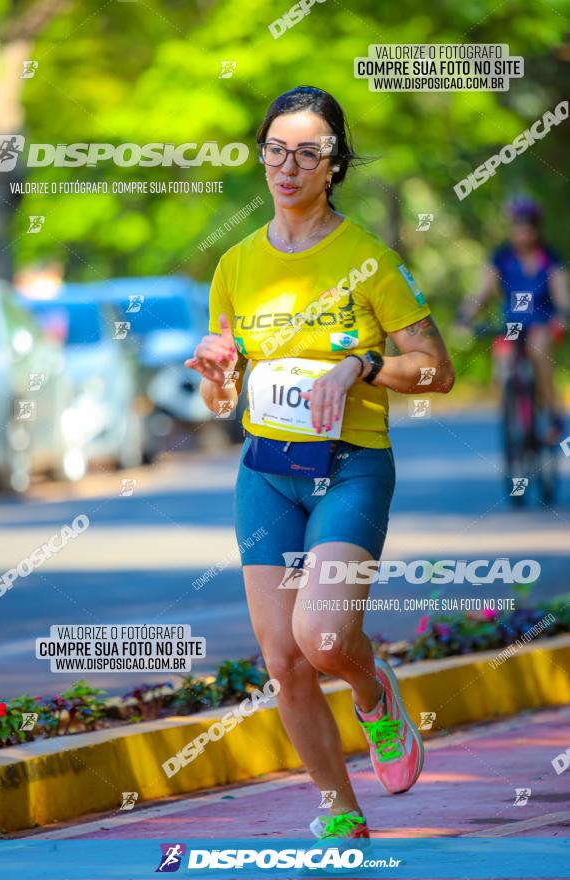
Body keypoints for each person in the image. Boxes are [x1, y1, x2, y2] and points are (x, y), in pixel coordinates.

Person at [186, 86, 455, 840]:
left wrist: (360, 367)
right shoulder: (236, 264)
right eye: (276, 148)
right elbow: (220, 399)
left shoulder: (367, 257)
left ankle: (373, 696)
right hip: (265, 472)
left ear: (333, 164)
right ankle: (340, 805)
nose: (287, 164)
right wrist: (216, 374)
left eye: (307, 151)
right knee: (284, 660)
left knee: (327, 638)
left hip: (350, 466)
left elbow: (436, 368)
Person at [460, 196, 569, 443]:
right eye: (517, 230)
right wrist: (465, 316)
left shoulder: (549, 259)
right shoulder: (501, 257)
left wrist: (563, 315)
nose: (522, 236)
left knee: (539, 351)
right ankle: (516, 416)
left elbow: (562, 295)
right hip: (512, 323)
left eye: (527, 230)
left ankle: (552, 414)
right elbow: (481, 293)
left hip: (542, 322)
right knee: (505, 361)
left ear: (536, 231)